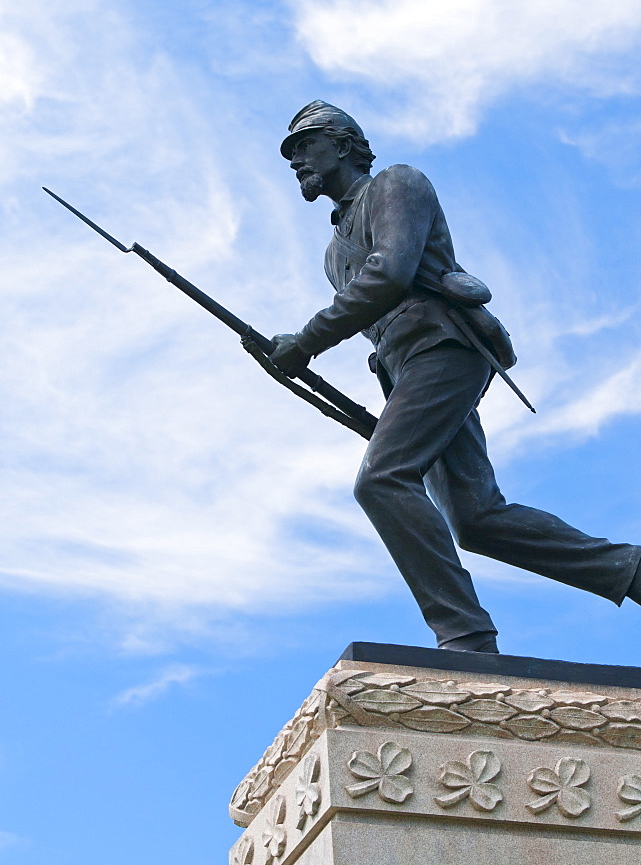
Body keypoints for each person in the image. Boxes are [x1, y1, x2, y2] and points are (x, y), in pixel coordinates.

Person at [269, 100, 641, 653]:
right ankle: (631, 571)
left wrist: (304, 342)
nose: (296, 161)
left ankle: (464, 635)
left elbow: (390, 274)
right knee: (476, 519)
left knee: (381, 480)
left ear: (343, 144)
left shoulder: (397, 183)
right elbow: (375, 328)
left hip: (442, 348)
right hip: (407, 372)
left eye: (305, 146)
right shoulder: (331, 253)